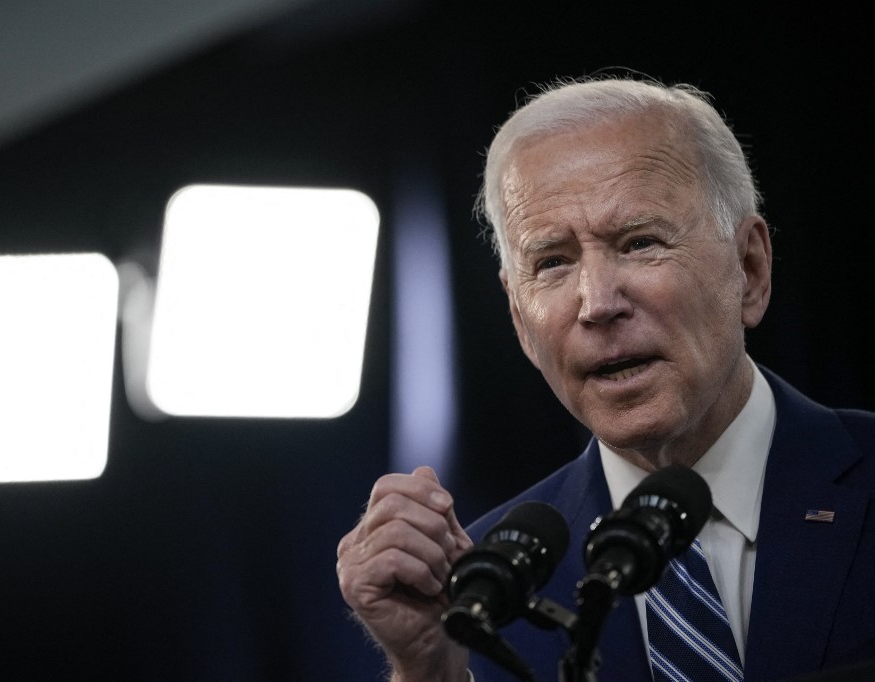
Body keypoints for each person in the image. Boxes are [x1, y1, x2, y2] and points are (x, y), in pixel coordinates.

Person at [336, 72, 875, 682]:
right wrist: (429, 671)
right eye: (552, 262)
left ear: (748, 270)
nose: (597, 303)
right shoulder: (476, 597)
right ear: (520, 321)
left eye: (640, 243)